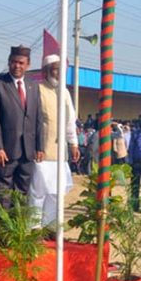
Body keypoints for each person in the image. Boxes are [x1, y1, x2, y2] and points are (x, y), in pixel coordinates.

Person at [0, 46, 45, 198]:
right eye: (13, 62)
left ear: (28, 65)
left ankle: (17, 223)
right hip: (6, 151)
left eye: (21, 63)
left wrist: (40, 146)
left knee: (22, 196)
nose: (17, 66)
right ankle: (2, 223)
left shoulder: (33, 86)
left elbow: (38, 118)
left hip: (27, 152)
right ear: (9, 62)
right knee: (2, 195)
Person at [30, 54, 80, 229]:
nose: (59, 73)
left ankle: (50, 226)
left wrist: (73, 143)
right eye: (55, 69)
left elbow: (70, 121)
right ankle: (34, 227)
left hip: (60, 152)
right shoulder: (37, 89)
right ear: (46, 72)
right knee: (38, 191)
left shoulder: (65, 92)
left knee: (55, 192)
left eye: (61, 70)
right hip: (42, 151)